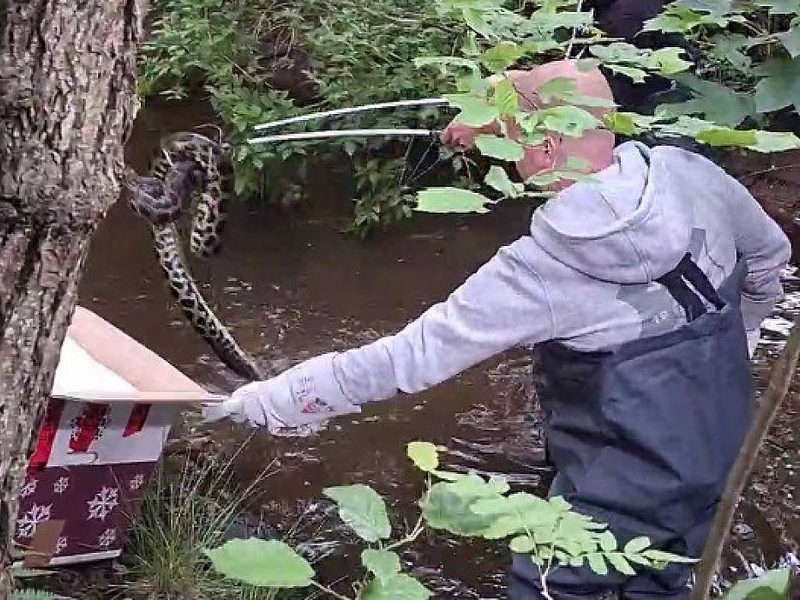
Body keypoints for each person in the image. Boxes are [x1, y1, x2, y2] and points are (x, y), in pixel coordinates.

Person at [204, 60, 791, 598]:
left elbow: (405, 361)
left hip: (627, 478)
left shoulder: (538, 272)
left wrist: (272, 400)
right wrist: (742, 338)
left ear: (547, 146)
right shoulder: (689, 173)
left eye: (512, 144)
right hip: (721, 441)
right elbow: (771, 257)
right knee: (662, 575)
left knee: (550, 582)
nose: (507, 160)